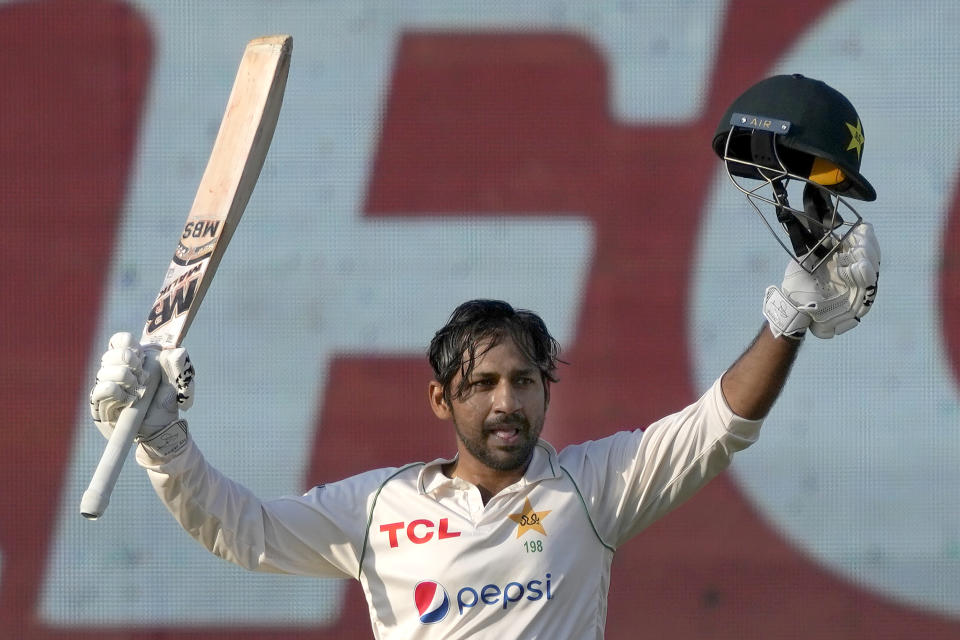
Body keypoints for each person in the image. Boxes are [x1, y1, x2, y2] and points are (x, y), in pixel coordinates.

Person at [89, 74, 881, 639]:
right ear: (443, 400)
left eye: (525, 381)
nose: (507, 401)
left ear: (547, 389)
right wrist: (164, 441)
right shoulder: (377, 509)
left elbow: (719, 426)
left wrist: (789, 314)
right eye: (484, 384)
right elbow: (243, 531)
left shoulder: (593, 489)